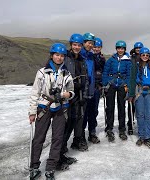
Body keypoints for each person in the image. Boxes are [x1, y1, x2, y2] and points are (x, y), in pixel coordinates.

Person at [28, 43, 74, 180]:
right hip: (44, 106)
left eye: (62, 56)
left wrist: (67, 95)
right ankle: (34, 166)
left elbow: (72, 91)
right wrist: (32, 111)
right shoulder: (42, 72)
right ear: (52, 55)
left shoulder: (67, 73)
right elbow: (35, 93)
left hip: (61, 107)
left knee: (57, 139)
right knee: (38, 138)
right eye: (57, 55)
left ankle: (50, 168)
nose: (59, 58)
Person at [58, 34, 88, 170]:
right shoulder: (66, 57)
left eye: (79, 45)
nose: (77, 47)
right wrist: (71, 86)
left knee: (74, 120)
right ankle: (59, 153)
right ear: (71, 45)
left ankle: (63, 149)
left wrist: (84, 93)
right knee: (65, 123)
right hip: (66, 95)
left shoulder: (81, 59)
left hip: (78, 95)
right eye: (75, 44)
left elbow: (85, 76)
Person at [128, 47, 150, 149]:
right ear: (140, 56)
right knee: (140, 115)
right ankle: (142, 136)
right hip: (139, 92)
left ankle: (148, 137)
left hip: (149, 92)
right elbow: (132, 80)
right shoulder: (136, 66)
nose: (145, 57)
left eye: (147, 55)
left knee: (149, 115)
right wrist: (131, 94)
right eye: (143, 55)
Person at [102, 40, 132, 142]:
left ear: (124, 49)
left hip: (122, 85)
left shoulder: (128, 61)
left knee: (121, 107)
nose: (120, 50)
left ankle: (122, 129)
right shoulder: (111, 60)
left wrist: (126, 84)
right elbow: (105, 71)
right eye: (119, 48)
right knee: (110, 107)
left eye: (122, 48)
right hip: (111, 84)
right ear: (116, 49)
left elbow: (129, 74)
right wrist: (106, 83)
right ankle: (109, 128)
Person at [82, 37, 105, 144]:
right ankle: (80, 134)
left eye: (98, 47)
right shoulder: (86, 56)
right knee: (84, 112)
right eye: (94, 47)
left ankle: (92, 133)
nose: (96, 49)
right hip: (85, 88)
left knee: (93, 111)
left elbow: (103, 72)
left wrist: (101, 84)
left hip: (96, 87)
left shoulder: (101, 58)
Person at [127, 42, 144, 135]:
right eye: (136, 48)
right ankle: (130, 124)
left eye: (140, 48)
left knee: (140, 105)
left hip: (141, 84)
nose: (138, 49)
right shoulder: (131, 58)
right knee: (131, 103)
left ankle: (140, 125)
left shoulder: (144, 57)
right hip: (132, 83)